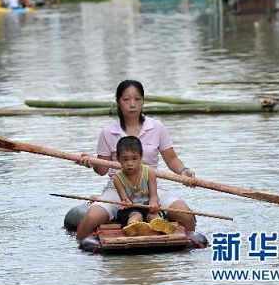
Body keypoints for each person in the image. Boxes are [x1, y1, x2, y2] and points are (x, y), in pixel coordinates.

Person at [76, 79, 196, 241]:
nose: (132, 104)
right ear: (118, 101)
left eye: (137, 99)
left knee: (187, 216)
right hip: (118, 189)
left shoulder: (156, 127)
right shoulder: (108, 131)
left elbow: (172, 159)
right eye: (126, 99)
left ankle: (190, 244)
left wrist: (184, 171)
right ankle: (81, 249)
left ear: (143, 101)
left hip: (151, 188)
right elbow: (102, 170)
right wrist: (91, 163)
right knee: (90, 219)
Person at [113, 136, 176, 237]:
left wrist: (153, 205)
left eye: (134, 159)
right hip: (131, 209)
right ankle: (133, 226)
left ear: (141, 157)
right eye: (125, 159)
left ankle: (161, 226)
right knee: (136, 215)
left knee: (153, 216)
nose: (130, 163)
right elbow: (124, 199)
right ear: (118, 159)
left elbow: (153, 195)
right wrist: (126, 202)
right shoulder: (117, 178)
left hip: (148, 206)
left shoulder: (150, 172)